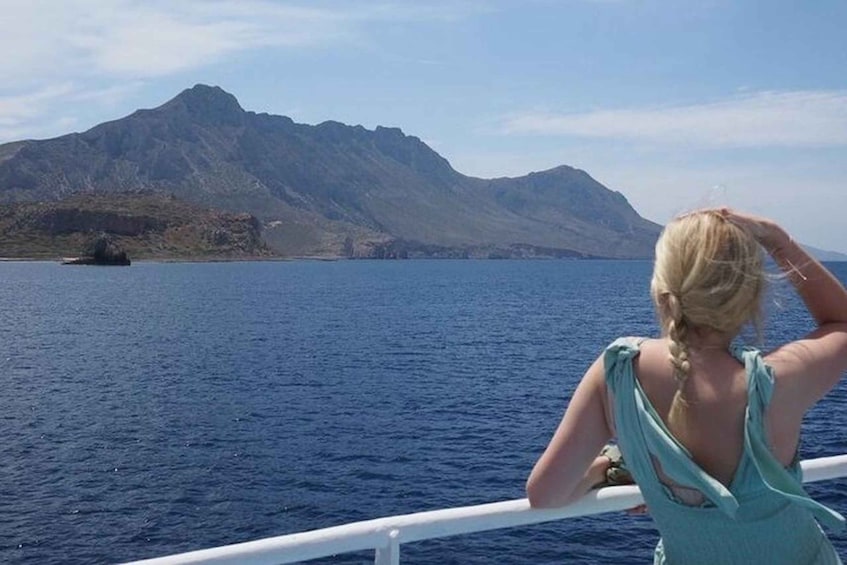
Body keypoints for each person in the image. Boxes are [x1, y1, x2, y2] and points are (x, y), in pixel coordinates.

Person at [526, 208, 847, 564]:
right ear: (750, 294)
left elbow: (545, 494)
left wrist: (610, 467)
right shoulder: (776, 380)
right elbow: (842, 322)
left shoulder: (617, 371)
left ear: (661, 288)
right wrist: (778, 241)